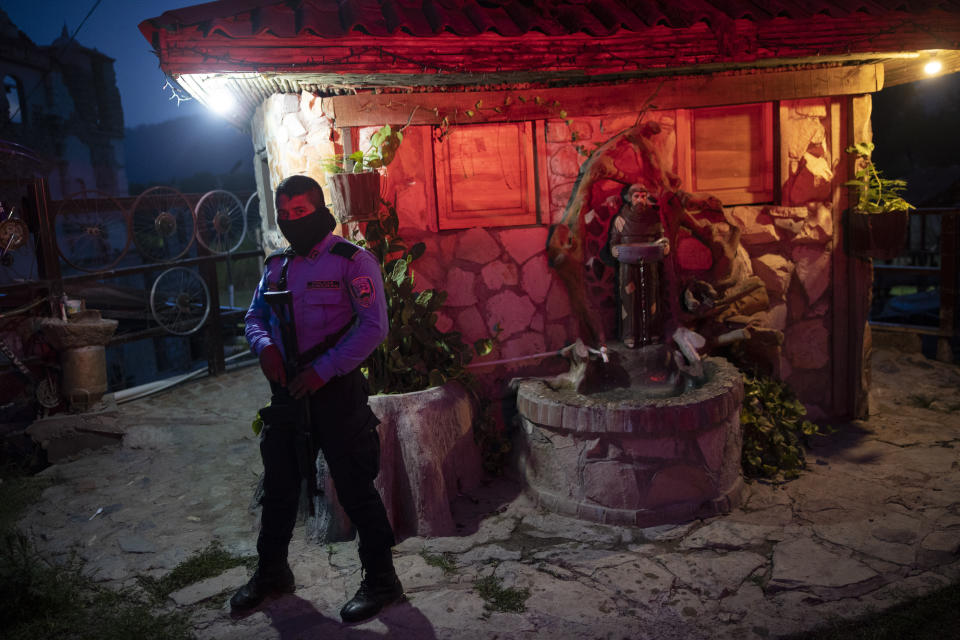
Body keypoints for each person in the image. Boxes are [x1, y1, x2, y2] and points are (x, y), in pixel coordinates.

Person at [231, 175, 402, 622]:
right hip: (288, 395)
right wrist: (264, 346)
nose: (291, 223)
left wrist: (323, 372)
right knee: (279, 488)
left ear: (321, 211)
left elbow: (373, 327)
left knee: (355, 489)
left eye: (300, 214)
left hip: (336, 393)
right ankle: (272, 573)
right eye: (284, 215)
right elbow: (254, 317)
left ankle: (383, 582)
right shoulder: (276, 266)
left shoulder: (352, 261)